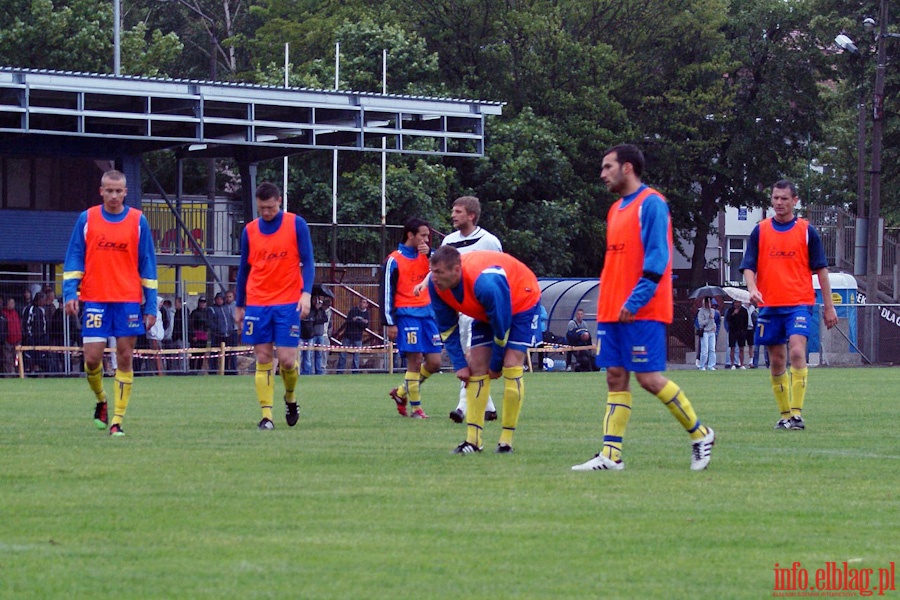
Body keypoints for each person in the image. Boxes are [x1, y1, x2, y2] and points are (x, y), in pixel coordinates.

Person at [572, 144, 715, 471]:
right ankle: (611, 456)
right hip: (613, 310)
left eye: (608, 167)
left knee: (648, 379)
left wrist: (634, 301)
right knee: (614, 376)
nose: (602, 174)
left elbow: (658, 260)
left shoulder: (651, 204)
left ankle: (701, 433)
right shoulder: (614, 209)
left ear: (627, 168)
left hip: (642, 309)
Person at [62, 169, 158, 436]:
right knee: (92, 359)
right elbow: (74, 258)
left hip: (127, 299)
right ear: (101, 191)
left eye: (119, 191)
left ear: (126, 192)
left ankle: (117, 420)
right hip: (94, 297)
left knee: (125, 357)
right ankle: (102, 400)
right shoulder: (87, 219)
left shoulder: (138, 221)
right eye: (109, 190)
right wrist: (70, 292)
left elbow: (148, 263)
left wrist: (150, 305)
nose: (114, 196)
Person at [739, 179, 838, 431]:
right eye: (775, 198)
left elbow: (822, 271)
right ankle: (784, 415)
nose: (779, 203)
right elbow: (748, 266)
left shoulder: (807, 231)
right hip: (770, 305)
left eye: (784, 198)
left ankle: (796, 414)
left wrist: (829, 306)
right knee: (777, 360)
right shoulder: (760, 230)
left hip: (799, 303)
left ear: (795, 201)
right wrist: (752, 288)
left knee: (796, 352)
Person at [428, 246, 541, 454]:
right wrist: (460, 364)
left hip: (521, 300)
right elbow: (447, 329)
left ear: (456, 270)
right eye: (432, 272)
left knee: (510, 364)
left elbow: (501, 330)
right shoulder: (434, 285)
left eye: (439, 273)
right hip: (485, 310)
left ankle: (505, 442)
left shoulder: (486, 284)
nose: (434, 278)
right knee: (477, 365)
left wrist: (496, 365)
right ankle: (473, 442)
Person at [400, 196, 503, 423]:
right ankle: (488, 407)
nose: (453, 215)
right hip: (458, 304)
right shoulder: (449, 240)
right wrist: (425, 282)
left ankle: (462, 406)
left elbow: (499, 271)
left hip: (480, 307)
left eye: (458, 211)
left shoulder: (489, 241)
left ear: (471, 215)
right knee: (468, 355)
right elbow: (440, 269)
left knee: (471, 354)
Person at [234, 181, 315, 430]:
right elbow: (243, 269)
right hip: (258, 302)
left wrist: (306, 294)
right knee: (263, 357)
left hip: (288, 301)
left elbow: (309, 261)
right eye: (262, 209)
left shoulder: (296, 224)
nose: (266, 212)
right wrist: (239, 304)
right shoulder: (249, 230)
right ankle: (267, 416)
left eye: (270, 207)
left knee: (288, 361)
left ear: (279, 200)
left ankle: (290, 397)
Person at [381, 217, 443, 418]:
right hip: (407, 315)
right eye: (423, 235)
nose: (427, 239)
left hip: (428, 314)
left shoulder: (429, 257)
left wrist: (431, 256)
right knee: (415, 360)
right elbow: (386, 293)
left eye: (428, 235)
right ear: (411, 235)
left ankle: (400, 392)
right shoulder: (393, 260)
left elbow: (441, 272)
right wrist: (389, 322)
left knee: (434, 363)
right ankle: (417, 409)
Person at [336, 297, 369, 373]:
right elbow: (349, 321)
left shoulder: (366, 313)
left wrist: (357, 321)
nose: (362, 304)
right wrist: (361, 321)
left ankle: (355, 372)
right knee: (343, 354)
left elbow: (366, 326)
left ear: (366, 305)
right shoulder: (353, 311)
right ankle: (340, 371)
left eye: (364, 302)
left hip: (358, 337)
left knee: (356, 356)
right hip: (348, 335)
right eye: (361, 302)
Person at [300, 295, 329, 375]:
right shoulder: (305, 309)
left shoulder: (319, 310)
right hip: (304, 334)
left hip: (311, 334)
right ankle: (301, 371)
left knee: (310, 355)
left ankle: (310, 371)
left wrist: (316, 314)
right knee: (302, 355)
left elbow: (324, 319)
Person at [725, 299, 749, 369]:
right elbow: (728, 319)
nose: (737, 304)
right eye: (736, 302)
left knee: (741, 348)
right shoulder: (730, 310)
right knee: (732, 348)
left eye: (738, 302)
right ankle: (732, 364)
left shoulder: (744, 310)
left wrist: (744, 331)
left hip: (741, 331)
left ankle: (741, 364)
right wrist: (733, 314)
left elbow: (746, 322)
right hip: (733, 331)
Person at [1, 297, 22, 375]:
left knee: (16, 358)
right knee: (7, 359)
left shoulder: (15, 313)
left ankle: (17, 373)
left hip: (17, 339)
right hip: (8, 340)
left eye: (13, 303)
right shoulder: (3, 314)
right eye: (11, 303)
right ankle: (8, 374)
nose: (13, 305)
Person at [190, 297, 211, 372]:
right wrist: (193, 335)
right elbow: (191, 324)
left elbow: (209, 323)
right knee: (194, 354)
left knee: (201, 354)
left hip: (204, 335)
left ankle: (199, 369)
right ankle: (192, 370)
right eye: (201, 302)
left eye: (204, 302)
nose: (202, 304)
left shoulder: (207, 312)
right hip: (196, 335)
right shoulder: (194, 312)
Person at [697, 298, 718, 371]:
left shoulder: (712, 311)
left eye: (709, 302)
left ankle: (711, 365)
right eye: (706, 303)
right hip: (705, 331)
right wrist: (708, 319)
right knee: (704, 349)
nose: (708, 304)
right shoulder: (701, 312)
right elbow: (701, 323)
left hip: (711, 331)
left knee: (712, 349)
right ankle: (702, 365)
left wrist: (714, 325)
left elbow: (713, 321)